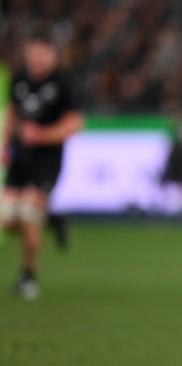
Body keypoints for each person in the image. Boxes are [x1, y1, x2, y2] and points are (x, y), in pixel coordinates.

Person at [1, 29, 84, 300]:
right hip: (20, 159)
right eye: (33, 51)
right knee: (6, 217)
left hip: (47, 162)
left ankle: (28, 276)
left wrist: (42, 135)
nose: (37, 57)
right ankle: (52, 219)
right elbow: (13, 112)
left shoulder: (63, 83)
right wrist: (4, 145)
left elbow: (75, 124)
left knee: (27, 212)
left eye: (43, 53)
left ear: (52, 55)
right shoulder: (19, 79)